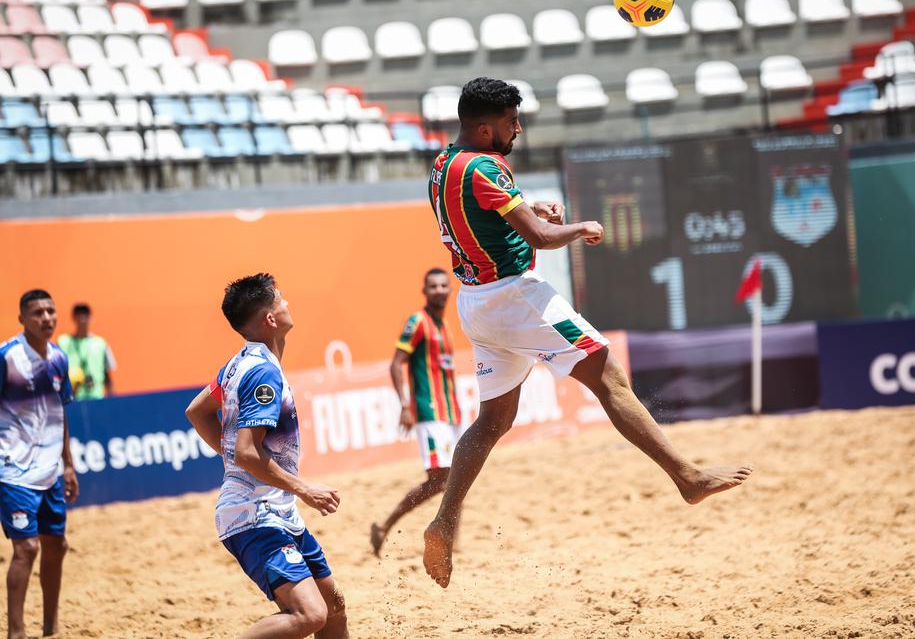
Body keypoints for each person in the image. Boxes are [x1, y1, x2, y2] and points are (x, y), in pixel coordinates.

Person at [422, 78, 753, 588]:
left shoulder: (444, 164)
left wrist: (534, 216)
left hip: (477, 304)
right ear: (485, 128)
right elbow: (540, 238)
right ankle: (688, 477)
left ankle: (444, 521)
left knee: (491, 422)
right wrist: (575, 228)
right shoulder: (487, 165)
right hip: (516, 296)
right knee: (611, 378)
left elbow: (489, 220)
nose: (519, 128)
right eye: (512, 122)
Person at [184, 273, 348, 639]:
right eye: (281, 300)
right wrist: (304, 489)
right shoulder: (262, 374)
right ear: (270, 320)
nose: (287, 303)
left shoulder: (241, 362)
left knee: (333, 609)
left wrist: (235, 459)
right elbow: (246, 452)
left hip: (275, 509)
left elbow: (197, 411)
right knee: (310, 615)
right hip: (253, 514)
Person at [1, 290, 79, 639]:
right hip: (12, 470)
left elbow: (60, 413)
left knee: (56, 545)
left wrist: (69, 465)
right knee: (26, 548)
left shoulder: (60, 358)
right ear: (22, 319)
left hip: (49, 472)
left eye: (50, 311)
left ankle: (51, 628)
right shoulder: (7, 357)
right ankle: (16, 632)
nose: (46, 318)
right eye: (37, 313)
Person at [370, 268, 462, 557]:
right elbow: (396, 363)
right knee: (440, 479)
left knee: (458, 478)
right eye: (433, 286)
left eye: (443, 285)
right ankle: (386, 526)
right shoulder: (418, 321)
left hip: (451, 413)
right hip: (429, 410)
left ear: (450, 290)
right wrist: (406, 404)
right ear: (425, 291)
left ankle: (452, 543)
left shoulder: (443, 325)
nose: (439, 290)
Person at [57, 303, 116, 400]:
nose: (82, 318)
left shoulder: (100, 343)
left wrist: (112, 399)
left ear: (90, 317)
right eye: (79, 314)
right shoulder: (63, 342)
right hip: (71, 399)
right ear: (73, 317)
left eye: (85, 314)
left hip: (96, 398)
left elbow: (108, 376)